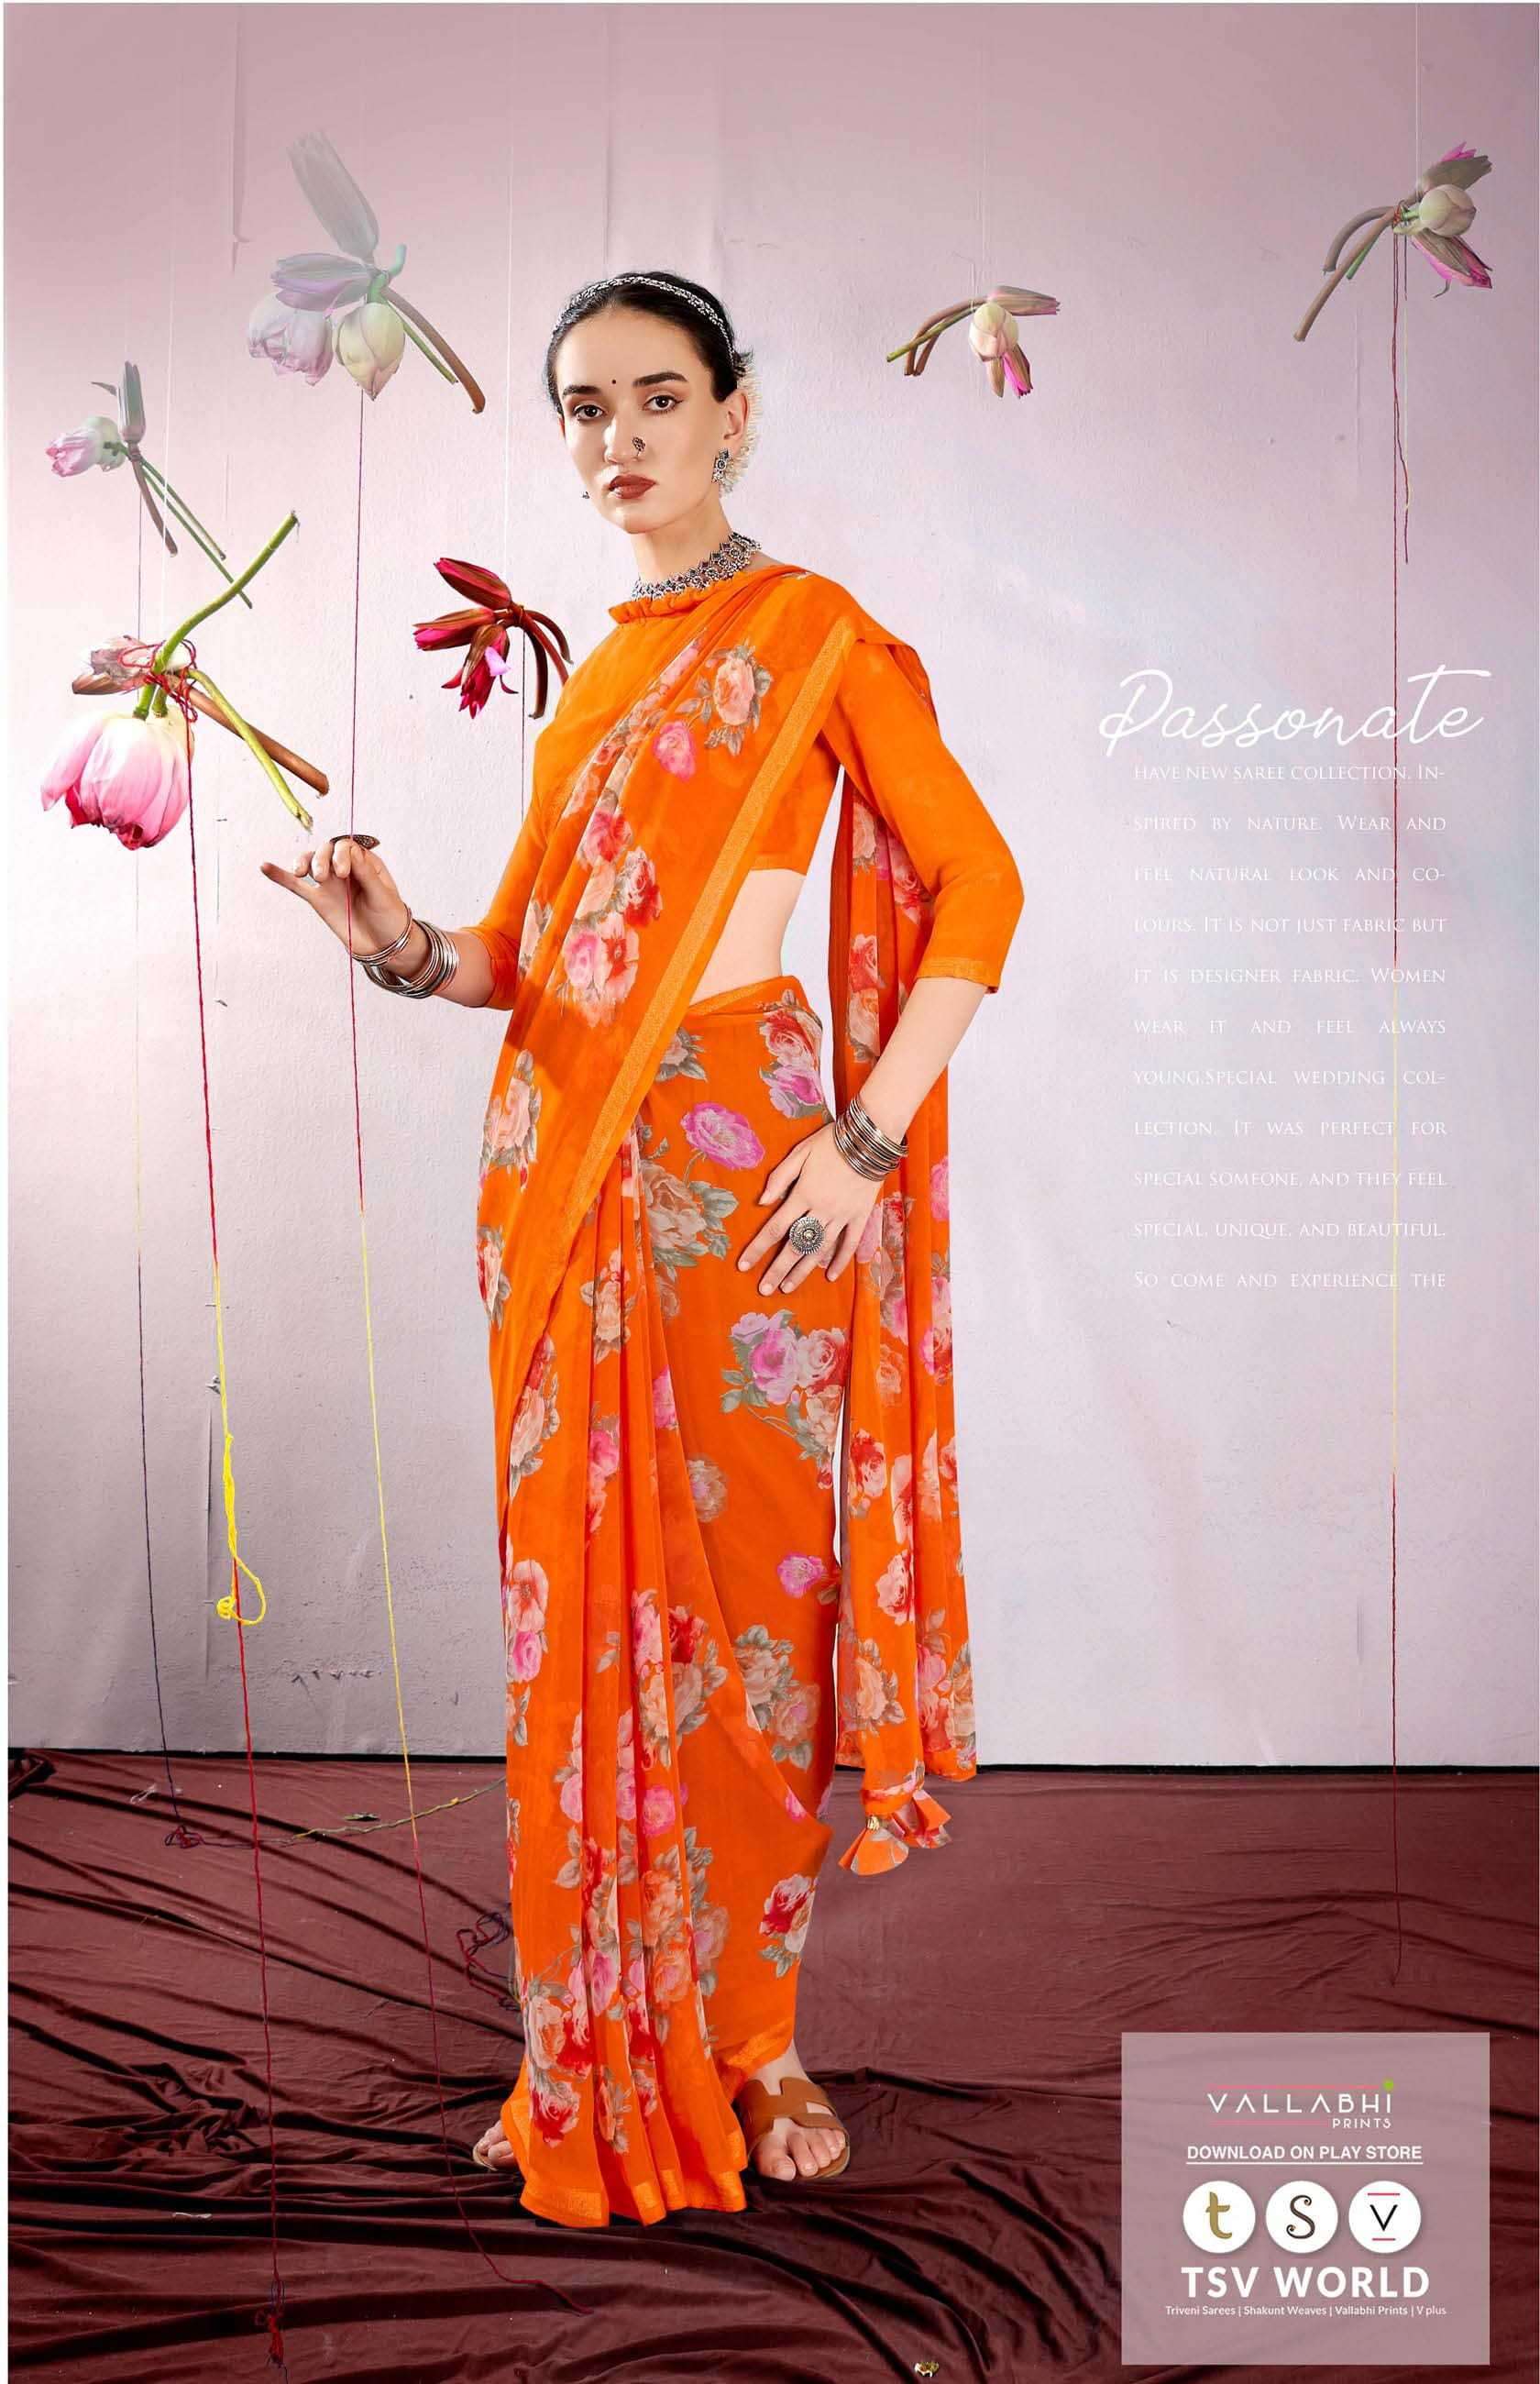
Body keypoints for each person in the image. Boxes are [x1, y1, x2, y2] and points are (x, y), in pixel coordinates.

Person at [260, 270, 1024, 2229]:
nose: (619, 439)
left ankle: (754, 2039)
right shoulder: (592, 681)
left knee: (759, 1626)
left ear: (734, 413)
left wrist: (864, 1136)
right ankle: (585, 2035)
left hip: (745, 1176)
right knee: (577, 1629)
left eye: (657, 398)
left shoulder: (814, 634)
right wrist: (395, 942)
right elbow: (514, 959)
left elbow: (979, 883)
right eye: (586, 409)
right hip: (560, 1186)